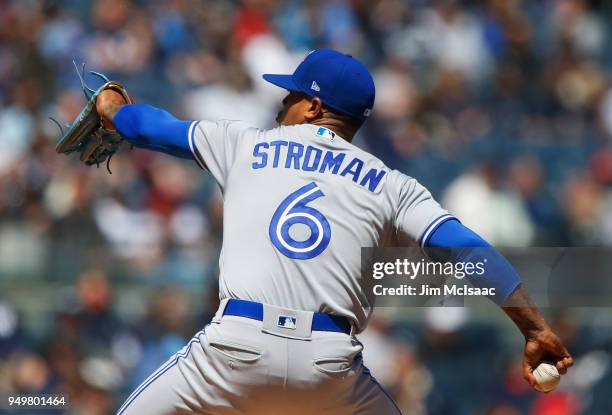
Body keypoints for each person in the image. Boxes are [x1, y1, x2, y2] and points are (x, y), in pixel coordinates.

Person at [96, 49, 572, 414]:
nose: (282, 103)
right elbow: (467, 249)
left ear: (313, 106)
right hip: (328, 368)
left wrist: (113, 107)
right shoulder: (392, 184)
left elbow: (149, 127)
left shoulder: (245, 144)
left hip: (233, 351)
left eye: (291, 95)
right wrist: (535, 328)